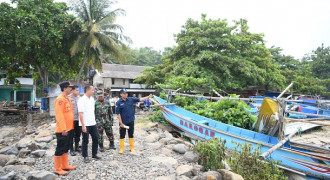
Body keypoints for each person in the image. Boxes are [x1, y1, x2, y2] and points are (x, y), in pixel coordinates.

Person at [116, 89, 153, 154]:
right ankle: (121, 149)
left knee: (131, 134)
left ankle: (131, 148)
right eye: (124, 93)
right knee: (122, 135)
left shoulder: (130, 99)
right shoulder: (118, 102)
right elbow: (118, 113)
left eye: (126, 93)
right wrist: (121, 123)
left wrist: (148, 97)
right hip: (123, 122)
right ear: (121, 94)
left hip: (131, 120)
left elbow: (140, 99)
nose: (126, 94)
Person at [53, 81, 76, 175]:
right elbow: (59, 115)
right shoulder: (60, 99)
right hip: (63, 130)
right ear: (64, 88)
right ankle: (57, 168)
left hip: (69, 128)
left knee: (66, 147)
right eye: (70, 87)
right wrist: (63, 128)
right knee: (60, 148)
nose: (71, 89)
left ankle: (64, 165)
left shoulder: (67, 98)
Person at [78, 84, 101, 162]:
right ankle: (85, 156)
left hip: (93, 123)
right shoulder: (81, 100)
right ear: (87, 90)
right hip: (85, 124)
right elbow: (80, 113)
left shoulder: (92, 99)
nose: (93, 91)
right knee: (85, 140)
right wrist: (83, 125)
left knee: (96, 138)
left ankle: (94, 154)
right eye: (92, 90)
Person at [68, 85, 81, 156]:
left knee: (78, 134)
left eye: (78, 90)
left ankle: (77, 147)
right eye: (76, 90)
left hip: (78, 119)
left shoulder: (80, 98)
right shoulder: (68, 98)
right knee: (71, 135)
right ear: (72, 90)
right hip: (71, 120)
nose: (78, 91)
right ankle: (71, 149)